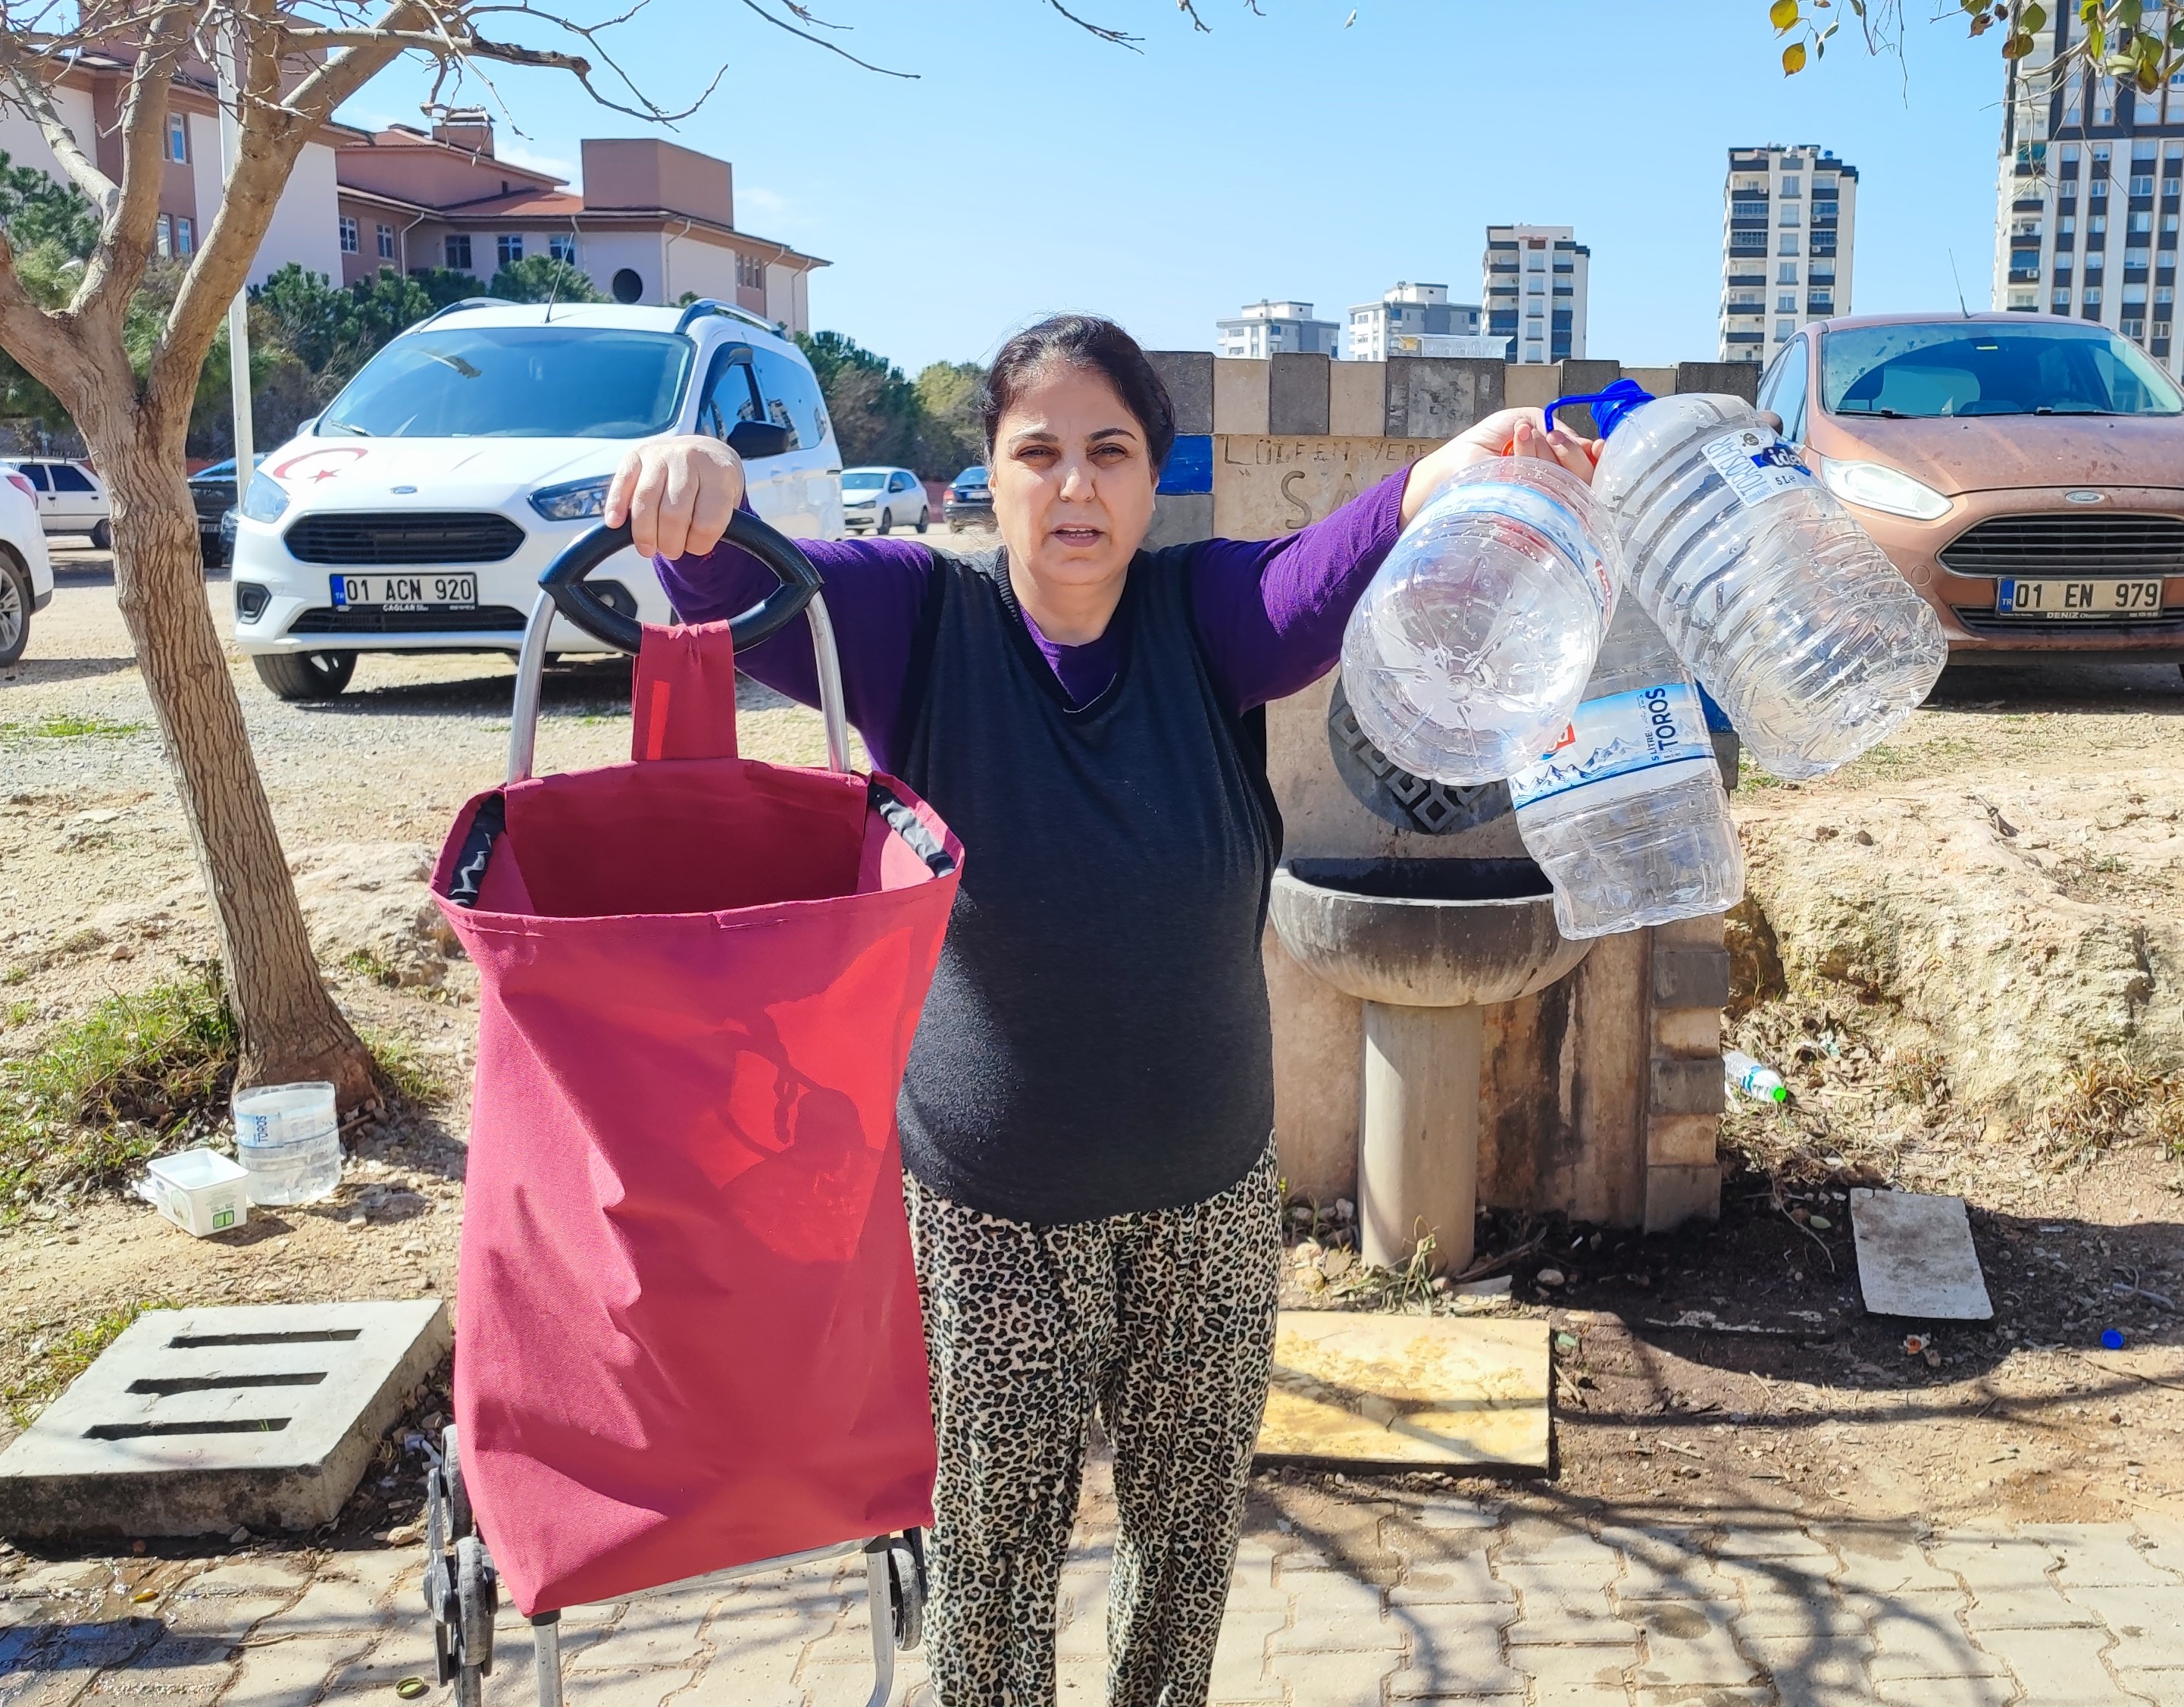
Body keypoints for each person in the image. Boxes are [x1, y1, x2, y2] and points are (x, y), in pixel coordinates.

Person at [609, 313, 1595, 1707]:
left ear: (1153, 478)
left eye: (1109, 453)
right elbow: (736, 587)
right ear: (990, 478)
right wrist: (694, 479)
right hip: (993, 1213)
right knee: (996, 1566)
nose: (1075, 487)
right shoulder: (921, 624)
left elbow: (1327, 572)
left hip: (1211, 1200)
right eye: (1040, 453)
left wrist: (1453, 470)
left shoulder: (1205, 622)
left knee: (1187, 1553)